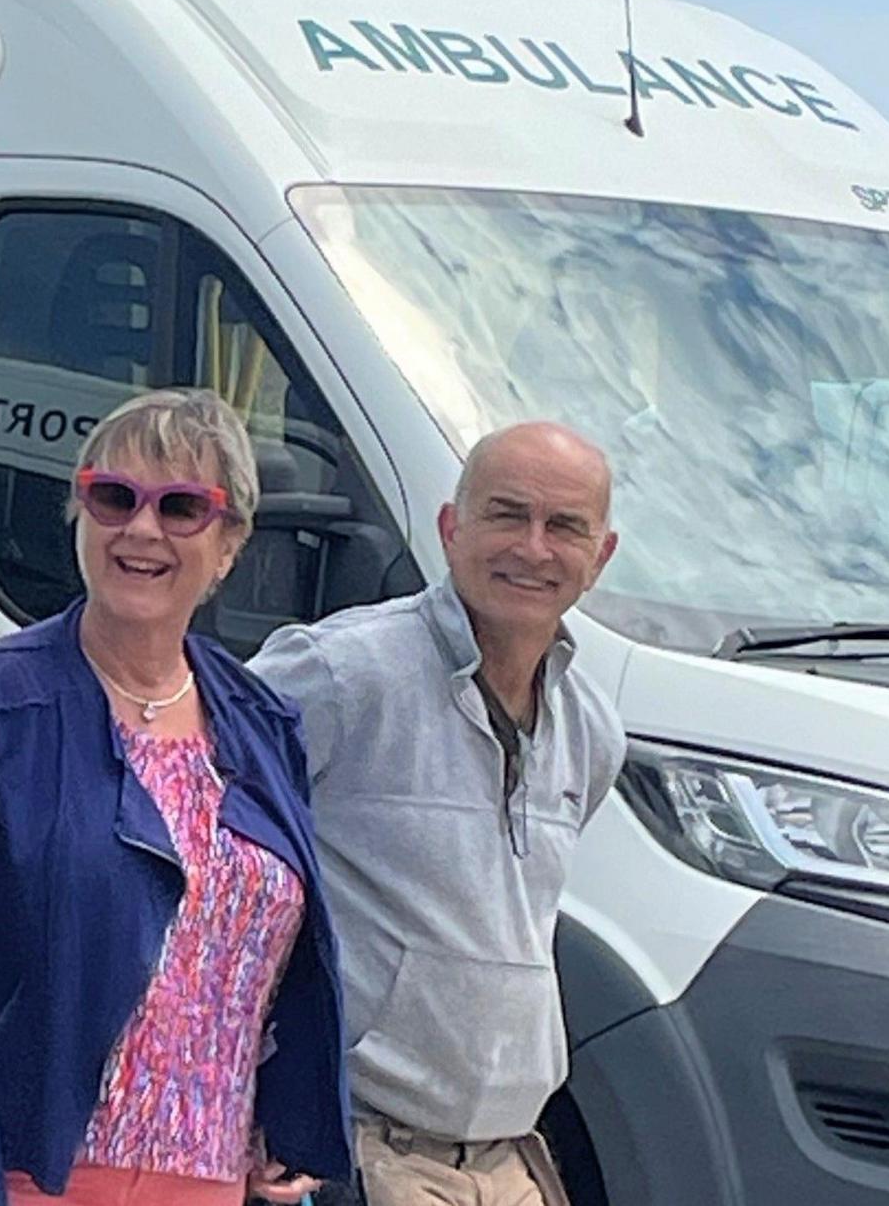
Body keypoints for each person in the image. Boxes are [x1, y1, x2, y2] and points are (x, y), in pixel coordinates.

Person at [0, 387, 353, 1206]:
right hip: (32, 1180)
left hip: (210, 1181)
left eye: (181, 507)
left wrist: (294, 1113)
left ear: (230, 544)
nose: (141, 528)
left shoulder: (263, 721)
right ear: (79, 511)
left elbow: (281, 959)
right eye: (114, 496)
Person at [249, 422, 625, 1206]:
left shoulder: (593, 729)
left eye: (564, 526)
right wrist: (257, 1093)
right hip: (363, 1147)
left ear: (602, 555)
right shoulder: (340, 672)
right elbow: (198, 834)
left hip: (508, 1156)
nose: (532, 546)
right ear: (452, 529)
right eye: (506, 513)